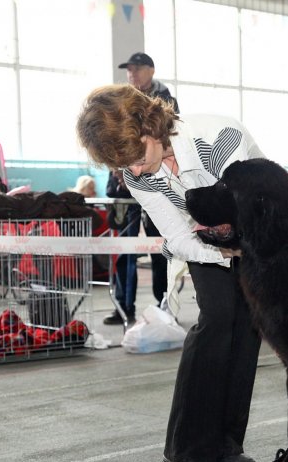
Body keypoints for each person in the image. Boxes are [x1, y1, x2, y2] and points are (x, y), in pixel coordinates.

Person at [77, 84, 263, 462]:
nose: (135, 173)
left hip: (254, 227)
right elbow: (177, 236)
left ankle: (227, 444)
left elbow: (248, 210)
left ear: (150, 126)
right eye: (124, 166)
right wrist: (220, 255)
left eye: (136, 158)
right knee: (218, 317)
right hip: (203, 240)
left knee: (248, 325)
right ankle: (185, 449)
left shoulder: (219, 140)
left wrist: (241, 250)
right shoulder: (139, 173)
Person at [118, 52, 175, 311]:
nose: (132, 74)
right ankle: (123, 306)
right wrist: (119, 169)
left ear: (151, 70)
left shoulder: (166, 101)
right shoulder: (121, 101)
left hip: (156, 184)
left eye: (138, 69)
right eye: (129, 70)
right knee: (123, 248)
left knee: (161, 250)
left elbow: (168, 139)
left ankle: (163, 305)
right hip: (124, 187)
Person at [103, 169, 142, 325]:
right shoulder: (113, 161)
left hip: (152, 207)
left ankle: (165, 307)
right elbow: (110, 189)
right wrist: (121, 182)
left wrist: (131, 182)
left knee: (160, 258)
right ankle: (123, 308)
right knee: (124, 259)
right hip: (125, 210)